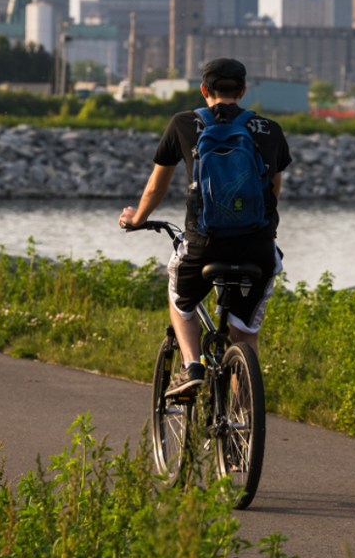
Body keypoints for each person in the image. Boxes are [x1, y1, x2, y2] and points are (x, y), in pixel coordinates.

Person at [118, 58, 293, 397]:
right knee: (245, 334)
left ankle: (191, 366)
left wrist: (136, 218)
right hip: (258, 247)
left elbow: (156, 186)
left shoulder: (184, 123)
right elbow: (273, 191)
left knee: (180, 301)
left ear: (203, 90)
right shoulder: (270, 129)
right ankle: (245, 422)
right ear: (243, 91)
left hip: (204, 244)